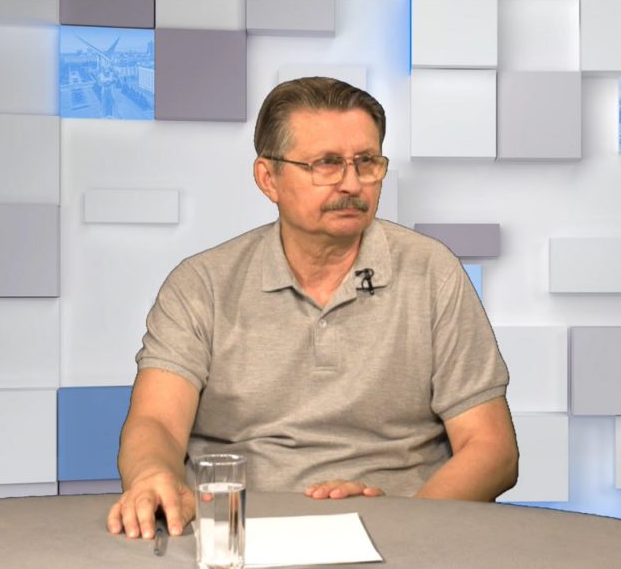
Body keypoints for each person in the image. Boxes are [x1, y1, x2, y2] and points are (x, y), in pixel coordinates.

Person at [106, 77, 519, 540]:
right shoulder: (202, 284)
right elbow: (157, 423)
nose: (352, 183)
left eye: (367, 162)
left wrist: (403, 527)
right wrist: (152, 476)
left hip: (404, 534)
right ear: (268, 179)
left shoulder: (431, 272)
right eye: (326, 164)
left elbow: (492, 449)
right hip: (238, 533)